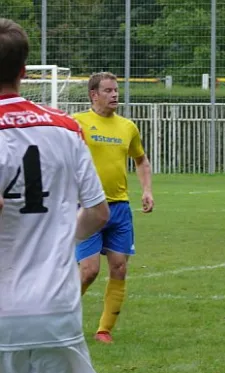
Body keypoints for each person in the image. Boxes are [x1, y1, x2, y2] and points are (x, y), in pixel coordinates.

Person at [0, 18, 109, 373]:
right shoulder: (66, 127)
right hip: (56, 308)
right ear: (24, 71)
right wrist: (63, 235)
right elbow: (97, 213)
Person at [74, 71, 155, 344]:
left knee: (119, 268)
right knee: (89, 270)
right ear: (93, 94)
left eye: (116, 90)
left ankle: (104, 330)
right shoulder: (77, 124)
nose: (114, 95)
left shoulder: (128, 127)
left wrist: (146, 190)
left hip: (119, 207)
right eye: (108, 90)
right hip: (88, 207)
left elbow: (141, 161)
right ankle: (59, 315)